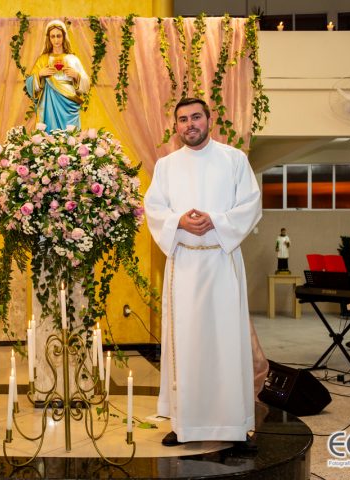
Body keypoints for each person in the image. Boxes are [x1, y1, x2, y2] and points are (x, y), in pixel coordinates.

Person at [145, 97, 264, 449]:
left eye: (196, 117)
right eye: (183, 119)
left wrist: (216, 221)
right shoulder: (166, 166)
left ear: (209, 120)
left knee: (227, 344)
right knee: (186, 346)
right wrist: (178, 221)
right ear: (176, 126)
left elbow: (251, 204)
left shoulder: (234, 159)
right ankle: (185, 425)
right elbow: (154, 208)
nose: (189, 124)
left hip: (222, 262)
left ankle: (235, 426)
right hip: (183, 266)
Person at [25, 20, 90, 132]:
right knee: (51, 134)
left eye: (59, 36)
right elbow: (29, 85)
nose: (56, 40)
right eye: (53, 36)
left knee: (70, 137)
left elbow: (86, 85)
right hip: (49, 104)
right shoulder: (43, 59)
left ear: (64, 37)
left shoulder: (72, 59)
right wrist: (40, 74)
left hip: (69, 105)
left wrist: (76, 76)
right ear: (49, 38)